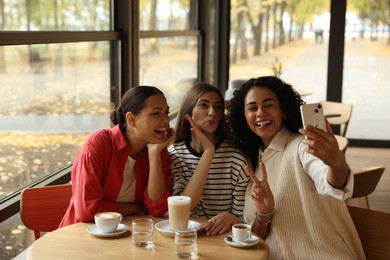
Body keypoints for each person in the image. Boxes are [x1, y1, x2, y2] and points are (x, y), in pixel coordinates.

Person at [226, 76, 365, 259]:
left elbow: (330, 182)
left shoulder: (302, 147)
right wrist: (264, 213)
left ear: (282, 110)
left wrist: (336, 163)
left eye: (268, 105)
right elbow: (257, 236)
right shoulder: (253, 163)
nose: (260, 113)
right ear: (244, 117)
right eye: (252, 108)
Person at [59, 86, 174, 227]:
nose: (166, 120)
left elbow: (157, 209)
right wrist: (134, 208)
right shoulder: (99, 143)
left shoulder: (157, 149)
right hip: (81, 234)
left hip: (127, 236)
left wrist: (154, 153)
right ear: (131, 119)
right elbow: (87, 211)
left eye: (166, 112)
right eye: (156, 113)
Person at [169, 82, 250, 236]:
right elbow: (183, 211)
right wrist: (208, 152)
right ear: (188, 111)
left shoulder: (236, 158)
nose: (212, 112)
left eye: (218, 106)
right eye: (204, 105)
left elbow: (244, 218)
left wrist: (232, 218)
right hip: (186, 237)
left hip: (225, 238)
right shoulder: (175, 154)